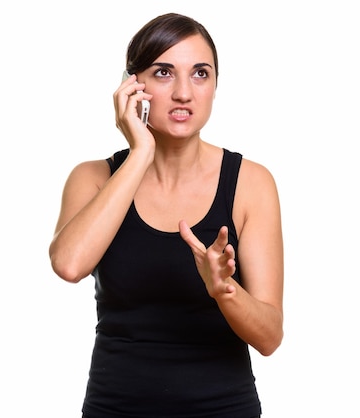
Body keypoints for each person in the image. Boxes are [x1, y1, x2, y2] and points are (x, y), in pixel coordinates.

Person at [48, 12, 284, 418]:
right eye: (162, 72)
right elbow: (69, 265)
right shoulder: (94, 178)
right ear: (132, 87)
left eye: (199, 74)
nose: (183, 92)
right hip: (114, 408)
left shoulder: (251, 183)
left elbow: (269, 337)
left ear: (214, 86)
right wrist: (140, 153)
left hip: (223, 409)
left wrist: (224, 290)